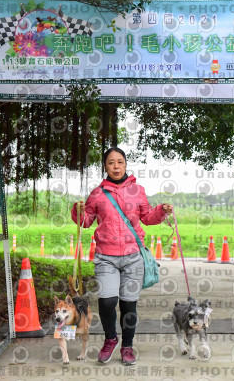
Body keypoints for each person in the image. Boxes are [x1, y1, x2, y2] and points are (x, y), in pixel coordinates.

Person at [72, 147, 173, 365]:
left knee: (129, 305)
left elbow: (147, 217)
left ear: (125, 165)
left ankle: (127, 347)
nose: (116, 166)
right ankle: (110, 340)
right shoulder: (97, 193)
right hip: (106, 257)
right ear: (105, 167)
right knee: (107, 302)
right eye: (111, 163)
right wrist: (78, 210)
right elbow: (86, 221)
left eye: (120, 162)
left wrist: (162, 210)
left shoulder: (138, 190)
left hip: (133, 256)